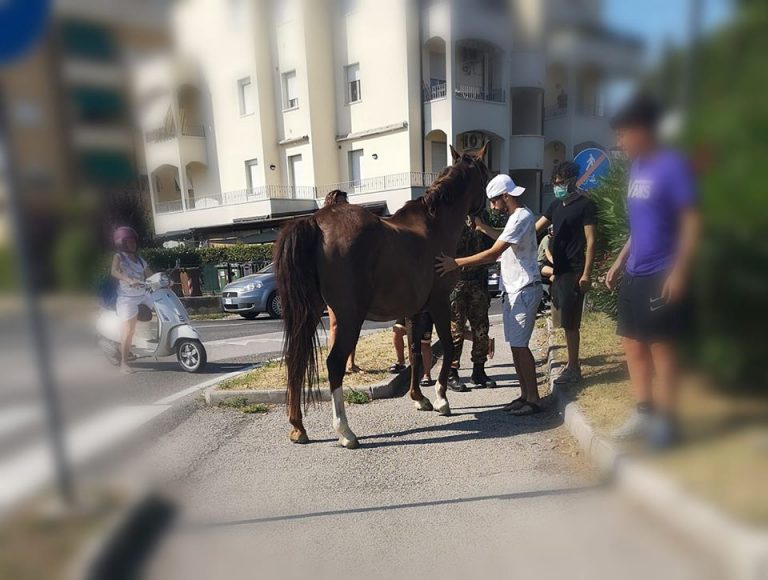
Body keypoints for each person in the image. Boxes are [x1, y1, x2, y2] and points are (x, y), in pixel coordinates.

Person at [605, 94, 700, 449]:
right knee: (632, 343)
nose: (619, 142)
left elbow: (691, 221)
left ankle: (668, 422)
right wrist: (618, 262)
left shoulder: (671, 166)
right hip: (635, 271)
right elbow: (639, 226)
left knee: (662, 348)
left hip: (663, 271)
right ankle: (643, 413)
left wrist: (680, 271)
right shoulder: (637, 169)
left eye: (622, 134)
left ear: (642, 130)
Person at [437, 175, 543, 416]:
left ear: (506, 196)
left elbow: (493, 253)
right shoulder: (517, 217)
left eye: (494, 201)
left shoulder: (521, 217)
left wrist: (456, 262)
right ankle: (525, 395)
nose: (493, 207)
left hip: (523, 289)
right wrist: (483, 227)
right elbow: (502, 239)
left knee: (521, 347)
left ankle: (534, 399)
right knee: (516, 347)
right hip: (515, 289)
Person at [535, 161, 597, 385]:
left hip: (574, 270)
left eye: (560, 183)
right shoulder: (555, 206)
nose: (557, 186)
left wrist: (586, 273)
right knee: (563, 321)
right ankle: (572, 364)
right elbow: (535, 228)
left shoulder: (586, 205)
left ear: (572, 181)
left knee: (571, 323)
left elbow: (591, 241)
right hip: (558, 271)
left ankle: (574, 367)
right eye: (554, 183)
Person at [447, 218, 496, 392]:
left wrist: (481, 227)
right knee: (456, 331)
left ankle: (479, 371)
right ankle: (451, 373)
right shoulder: (452, 221)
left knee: (481, 330)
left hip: (478, 283)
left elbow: (493, 251)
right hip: (456, 283)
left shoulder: (482, 222)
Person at [324, 190, 359, 373]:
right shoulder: (327, 229)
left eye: (346, 202)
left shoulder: (351, 228)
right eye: (340, 203)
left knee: (352, 323)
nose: (344, 206)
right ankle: (334, 362)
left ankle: (351, 362)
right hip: (335, 284)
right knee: (336, 324)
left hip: (352, 283)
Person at [110, 226, 152, 374]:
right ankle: (124, 364)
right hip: (127, 298)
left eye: (134, 241)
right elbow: (114, 271)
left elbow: (150, 275)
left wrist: (163, 281)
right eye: (129, 242)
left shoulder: (140, 260)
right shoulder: (119, 257)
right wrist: (128, 279)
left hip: (143, 294)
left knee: (164, 306)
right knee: (129, 330)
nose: (133, 244)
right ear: (122, 243)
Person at [389, 315, 433, 386]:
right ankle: (401, 362)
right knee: (397, 331)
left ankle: (427, 374)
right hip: (408, 310)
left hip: (423, 311)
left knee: (424, 344)